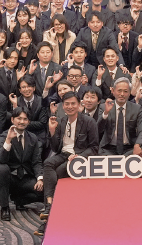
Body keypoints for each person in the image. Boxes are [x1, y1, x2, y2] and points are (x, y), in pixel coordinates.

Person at [37, 92, 99, 234]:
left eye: (73, 103)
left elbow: (94, 148)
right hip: (64, 154)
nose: (70, 106)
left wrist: (79, 156)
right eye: (67, 104)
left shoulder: (89, 122)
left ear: (79, 105)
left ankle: (49, 217)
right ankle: (49, 204)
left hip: (79, 157)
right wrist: (52, 131)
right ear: (63, 106)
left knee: (59, 171)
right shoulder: (61, 121)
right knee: (48, 163)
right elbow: (55, 148)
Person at [0, 107, 45, 221]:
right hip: (9, 178)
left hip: (25, 177)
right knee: (2, 168)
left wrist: (40, 179)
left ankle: (19, 200)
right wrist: (8, 140)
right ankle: (5, 207)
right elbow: (1, 159)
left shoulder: (33, 138)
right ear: (12, 120)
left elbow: (36, 161)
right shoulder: (4, 136)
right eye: (19, 118)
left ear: (29, 122)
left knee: (43, 190)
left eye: (25, 119)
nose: (22, 121)